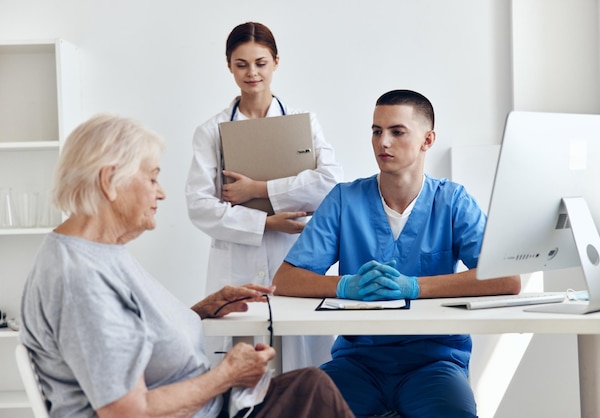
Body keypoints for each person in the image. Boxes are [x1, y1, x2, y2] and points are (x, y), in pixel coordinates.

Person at [19, 114, 355, 418]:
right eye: (152, 178)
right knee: (315, 392)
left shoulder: (99, 253)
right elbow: (127, 412)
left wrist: (201, 311)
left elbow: (127, 334)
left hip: (209, 408)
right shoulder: (81, 279)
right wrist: (227, 374)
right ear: (109, 181)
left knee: (311, 385)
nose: (161, 193)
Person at [273, 90, 522, 418]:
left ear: (427, 140)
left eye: (397, 131)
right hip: (358, 362)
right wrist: (345, 286)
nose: (382, 142)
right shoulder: (345, 200)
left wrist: (416, 287)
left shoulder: (452, 201)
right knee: (307, 409)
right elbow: (286, 279)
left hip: (434, 362)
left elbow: (507, 278)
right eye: (376, 131)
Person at [185, 21, 343, 370]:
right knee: (242, 372)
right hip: (237, 263)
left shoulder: (304, 124)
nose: (251, 73)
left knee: (301, 371)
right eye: (241, 64)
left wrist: (257, 190)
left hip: (294, 258)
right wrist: (266, 223)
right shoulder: (210, 132)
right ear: (229, 66)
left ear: (275, 62)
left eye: (260, 62)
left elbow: (330, 183)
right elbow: (199, 206)